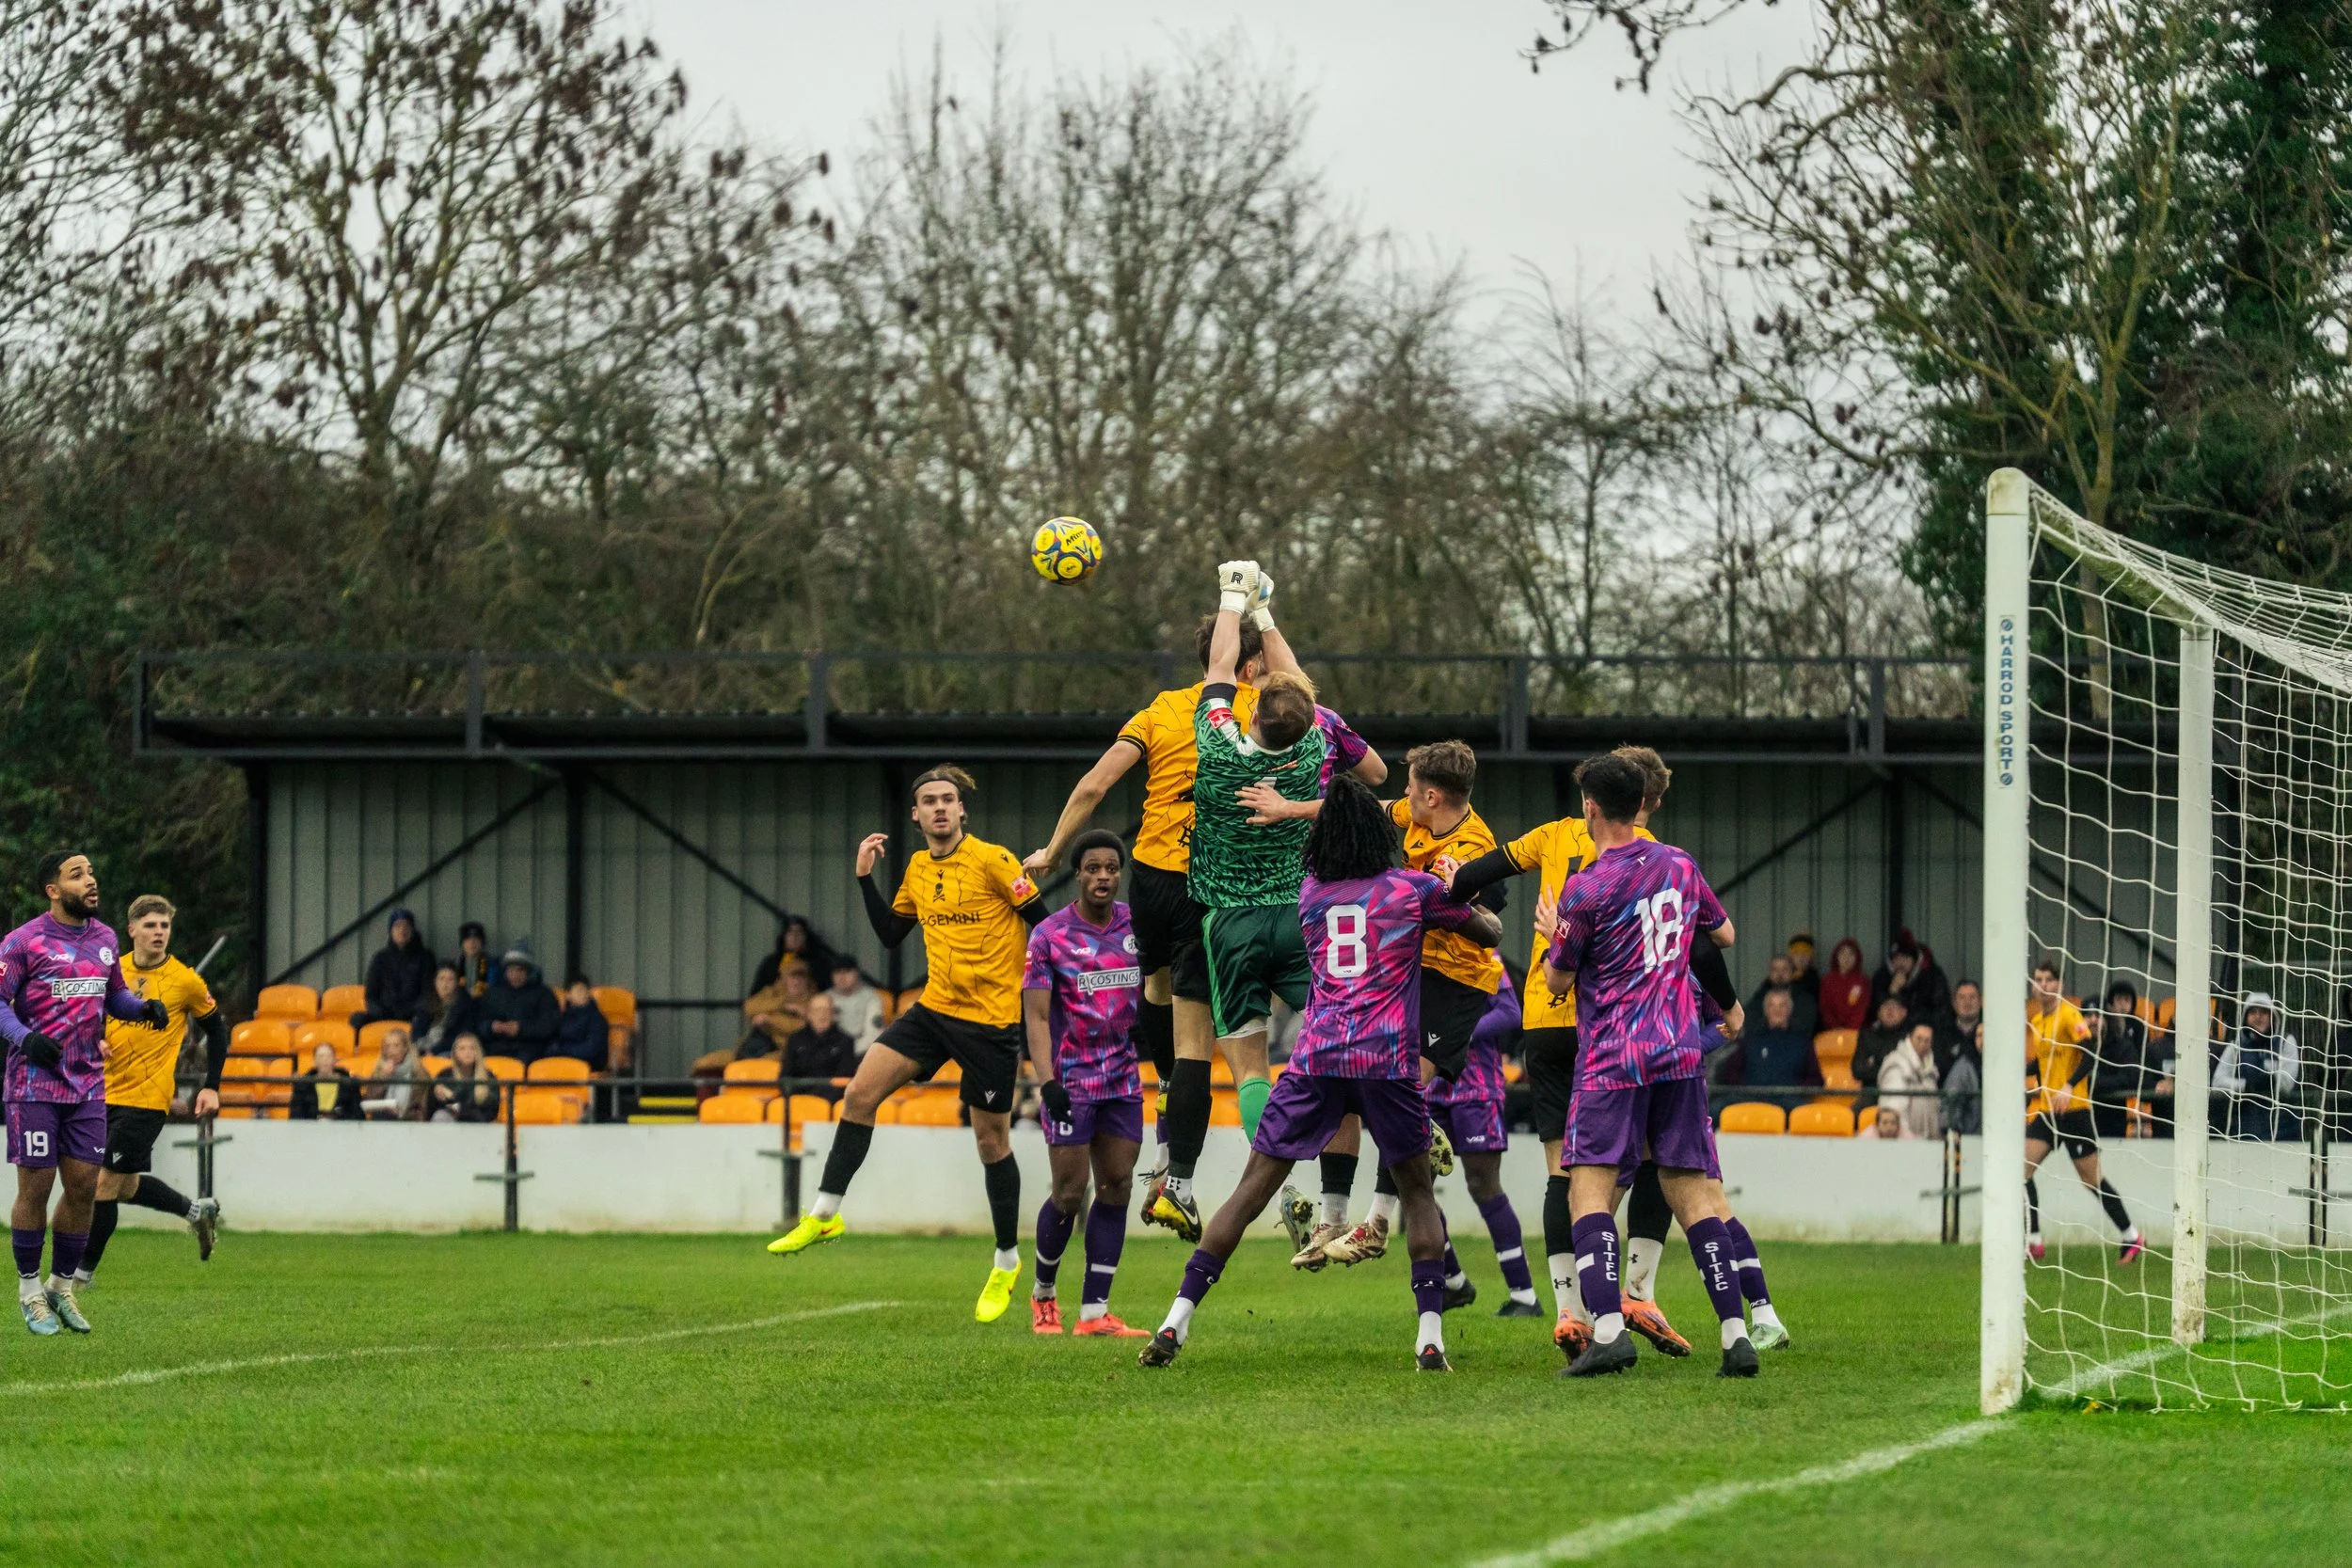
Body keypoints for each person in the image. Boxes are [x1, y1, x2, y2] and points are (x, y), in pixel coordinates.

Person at [1136, 775, 1502, 1371]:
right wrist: (1455, 888)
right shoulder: (1411, 889)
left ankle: (1176, 1320)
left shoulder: (1311, 895)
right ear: (1379, 834)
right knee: (1416, 1190)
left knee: (1251, 1190)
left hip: (1318, 1056)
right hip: (1385, 1061)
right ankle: (1429, 1338)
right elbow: (1487, 934)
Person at [1440, 743, 1700, 1360]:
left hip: (1544, 1022)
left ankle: (1568, 1308)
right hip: (1612, 1027)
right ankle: (1636, 1286)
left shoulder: (1553, 835)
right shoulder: (1654, 857)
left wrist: (1454, 879)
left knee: (1566, 1169)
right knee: (1646, 1156)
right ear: (1642, 804)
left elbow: (1490, 866)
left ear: (1591, 804)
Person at [1143, 561, 1376, 1244]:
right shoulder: (1313, 750)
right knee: (1343, 1042)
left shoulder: (1215, 748)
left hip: (1232, 924)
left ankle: (1287, 1186)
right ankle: (1409, 1124)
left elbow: (1219, 662)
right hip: (1299, 917)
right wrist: (1266, 614)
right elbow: (1295, 684)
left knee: (1248, 1065)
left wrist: (1230, 595)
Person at [767, 766, 1048, 1326]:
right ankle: (825, 1213)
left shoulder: (996, 861)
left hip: (990, 1024)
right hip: (933, 1010)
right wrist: (864, 877)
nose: (940, 808)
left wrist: (1040, 1004)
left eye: (948, 799)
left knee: (991, 1142)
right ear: (915, 816)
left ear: (962, 811)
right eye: (929, 802)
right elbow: (893, 933)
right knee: (859, 1095)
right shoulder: (918, 868)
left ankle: (1006, 1261)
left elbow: (1042, 926)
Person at [1022, 614, 1274, 1225]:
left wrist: (1053, 852)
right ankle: (1180, 1172)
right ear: (1250, 663)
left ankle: (1165, 1114)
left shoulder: (1162, 709)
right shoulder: (1266, 707)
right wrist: (1258, 614)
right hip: (1208, 884)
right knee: (1204, 1042)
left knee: (1156, 990)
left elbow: (1093, 785)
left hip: (1150, 879)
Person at [1540, 755, 1764, 1380]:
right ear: (1641, 800)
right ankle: (1735, 1333)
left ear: (1589, 808)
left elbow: (1557, 980)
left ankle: (1608, 1329)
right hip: (1679, 1051)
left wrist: (1558, 929)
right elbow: (1722, 936)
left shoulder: (1586, 884)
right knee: (1694, 1194)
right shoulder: (1680, 864)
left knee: (1588, 1186)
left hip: (1614, 1056)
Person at [1244, 738, 1498, 1268]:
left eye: (1409, 788)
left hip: (1455, 981)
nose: (1400, 797)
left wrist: (1456, 892)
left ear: (1432, 795)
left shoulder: (1473, 846)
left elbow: (1486, 912)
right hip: (1410, 969)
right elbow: (1363, 809)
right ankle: (1334, 1220)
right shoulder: (1419, 812)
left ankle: (1377, 1224)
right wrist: (1291, 808)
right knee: (1348, 1089)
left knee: (1400, 1096)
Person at [0, 852, 172, 1334]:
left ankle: (61, 1288)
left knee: (83, 1190)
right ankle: (29, 1292)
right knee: (35, 1188)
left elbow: (112, 995)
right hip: (33, 1087)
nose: (91, 880)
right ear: (53, 890)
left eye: (92, 871)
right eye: (77, 875)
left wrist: (142, 1009)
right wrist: (25, 1038)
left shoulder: (104, 938)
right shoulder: (23, 942)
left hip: (88, 1085)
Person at [1021, 830, 1151, 1338]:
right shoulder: (1049, 935)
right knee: (1070, 1191)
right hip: (1071, 1079)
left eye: (1111, 869)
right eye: (1093, 869)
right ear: (1078, 874)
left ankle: (1095, 1313)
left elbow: (1158, 994)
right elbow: (1034, 1016)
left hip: (1122, 1077)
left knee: (1117, 1184)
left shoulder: (1136, 927)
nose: (1103, 877)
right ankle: (1044, 1296)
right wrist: (1045, 1081)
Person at [81, 894, 229, 1290]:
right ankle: (196, 1210)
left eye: (164, 925)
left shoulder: (185, 980)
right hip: (101, 1092)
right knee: (125, 1186)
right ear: (131, 931)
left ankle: (77, 1279)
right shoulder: (111, 970)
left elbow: (218, 1029)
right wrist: (94, 1037)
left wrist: (211, 1087)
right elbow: (85, 1015)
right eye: (150, 925)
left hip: (146, 1099)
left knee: (103, 1186)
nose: (159, 932)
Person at [1422, 968, 1543, 1316]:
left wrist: (1459, 1033)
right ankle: (1455, 1282)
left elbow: (1509, 1012)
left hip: (1476, 1088)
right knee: (1416, 1185)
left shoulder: (1482, 955)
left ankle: (1524, 1296)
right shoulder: (1427, 951)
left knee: (1483, 1184)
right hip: (1433, 1087)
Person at [2025, 954, 2143, 1264]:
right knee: (2019, 1172)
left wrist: (2067, 1085)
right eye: (2039, 979)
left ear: (2060, 985)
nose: (2044, 985)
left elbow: (2090, 1051)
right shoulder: (2038, 1021)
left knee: (2091, 1181)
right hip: (2049, 1112)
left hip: (2075, 1111)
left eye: (2050, 979)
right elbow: (2042, 1061)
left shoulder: (2069, 1015)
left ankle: (2132, 1235)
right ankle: (2034, 1240)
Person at [2216, 990, 2299, 1142]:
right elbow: (2217, 1083)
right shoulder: (2236, 1047)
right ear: (2246, 1018)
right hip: (2244, 1130)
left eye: (2263, 1012)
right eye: (2253, 1012)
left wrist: (2270, 1081)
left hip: (2283, 1130)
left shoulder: (2286, 1041)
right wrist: (2245, 1086)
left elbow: (2287, 1082)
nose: (2258, 1017)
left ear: (2272, 1016)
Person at [1715, 987, 1820, 1089]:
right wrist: (1747, 1087)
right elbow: (1730, 1072)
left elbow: (1816, 1080)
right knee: (1716, 1106)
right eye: (1772, 1006)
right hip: (1751, 1099)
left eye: (1782, 1005)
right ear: (1765, 1010)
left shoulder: (1802, 1042)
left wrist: (1794, 1089)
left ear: (1790, 1010)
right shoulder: (1751, 1039)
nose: (1777, 1010)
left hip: (1789, 1100)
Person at [2089, 978, 2153, 1139]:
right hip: (2111, 1075)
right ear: (2111, 1002)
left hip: (2132, 1073)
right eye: (2118, 999)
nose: (2122, 1005)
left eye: (2127, 1000)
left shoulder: (2138, 1025)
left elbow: (2144, 1054)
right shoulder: (2105, 1025)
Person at [353, 908, 437, 1031]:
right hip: (384, 1014)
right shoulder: (380, 958)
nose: (402, 930)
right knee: (356, 1019)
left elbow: (428, 994)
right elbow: (370, 995)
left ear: (412, 930)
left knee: (426, 1019)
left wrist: (411, 1011)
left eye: (407, 926)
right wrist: (380, 1012)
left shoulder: (426, 958)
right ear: (390, 930)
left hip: (412, 1014)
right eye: (397, 926)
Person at [480, 945, 559, 1065]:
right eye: (511, 970)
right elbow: (478, 1022)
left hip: (530, 1049)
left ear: (528, 971)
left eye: (520, 970)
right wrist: (491, 1027)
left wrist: (521, 1029)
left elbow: (549, 1026)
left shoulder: (544, 994)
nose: (515, 975)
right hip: (496, 1048)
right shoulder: (493, 993)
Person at [782, 993, 859, 1099]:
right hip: (799, 1100)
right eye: (817, 1010)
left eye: (826, 1011)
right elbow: (786, 1077)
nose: (822, 1015)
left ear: (832, 1015)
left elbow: (844, 1080)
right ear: (809, 1014)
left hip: (831, 1101)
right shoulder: (795, 1040)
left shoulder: (846, 1041)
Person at [1879, 1019, 1943, 1139]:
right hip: (1904, 1144)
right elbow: (1895, 1110)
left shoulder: (1931, 1071)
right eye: (1919, 1039)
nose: (1923, 1044)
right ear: (1910, 1038)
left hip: (1927, 1142)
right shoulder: (1897, 1067)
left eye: (1927, 1040)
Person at [1871, 928, 1949, 1022]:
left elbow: (1940, 1011)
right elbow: (1874, 1011)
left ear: (1914, 960)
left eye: (1905, 958)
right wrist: (1891, 992)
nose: (1900, 962)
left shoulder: (1932, 976)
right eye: (1896, 958)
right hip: (1890, 1033)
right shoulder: (1882, 977)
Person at [1851, 994, 1914, 1109]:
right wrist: (1890, 1066)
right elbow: (1858, 1070)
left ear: (1904, 1013)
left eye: (1894, 1007)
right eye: (1885, 1006)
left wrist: (1875, 1062)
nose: (1889, 1010)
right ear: (1878, 1012)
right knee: (1853, 1113)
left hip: (1901, 1091)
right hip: (1872, 1092)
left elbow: (1910, 1070)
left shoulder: (1910, 1038)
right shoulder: (1867, 1035)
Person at [413, 961, 484, 1058]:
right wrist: (421, 1050)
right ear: (435, 982)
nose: (445, 984)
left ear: (457, 983)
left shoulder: (467, 1005)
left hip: (449, 1051)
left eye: (450, 980)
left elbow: (463, 1036)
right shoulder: (425, 1002)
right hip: (423, 1049)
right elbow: (416, 1033)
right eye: (441, 979)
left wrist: (434, 1051)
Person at [431, 1034, 502, 1123]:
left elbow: (491, 1113)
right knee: (440, 1116)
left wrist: (452, 1097)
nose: (467, 1052)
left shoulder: (489, 1078)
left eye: (472, 1048)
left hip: (480, 1124)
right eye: (462, 1049)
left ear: (478, 1052)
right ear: (455, 1053)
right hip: (451, 1123)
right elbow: (435, 1107)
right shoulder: (445, 1075)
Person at [360, 1027, 428, 1121]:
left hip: (410, 1123)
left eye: (396, 1046)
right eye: (387, 1046)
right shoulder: (379, 1073)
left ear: (405, 1048)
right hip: (383, 1121)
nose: (391, 1050)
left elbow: (423, 1108)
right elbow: (370, 1101)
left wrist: (402, 1115)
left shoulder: (419, 1074)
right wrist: (384, 1078)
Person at [827, 958, 888, 1056]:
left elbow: (874, 1035)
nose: (842, 977)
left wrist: (846, 1051)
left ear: (857, 973)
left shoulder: (871, 997)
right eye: (837, 972)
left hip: (861, 1053)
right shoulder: (825, 998)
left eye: (847, 972)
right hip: (830, 1054)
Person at [1748, 954, 1818, 1038]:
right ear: (1769, 973)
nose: (1780, 974)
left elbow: (1806, 1024)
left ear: (1792, 972)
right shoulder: (1760, 997)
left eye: (1785, 969)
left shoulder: (1804, 998)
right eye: (1775, 970)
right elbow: (1749, 1021)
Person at [290, 1043, 362, 1121]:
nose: (325, 1059)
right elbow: (296, 1115)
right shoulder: (302, 1085)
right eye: (321, 1056)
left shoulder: (349, 1084)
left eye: (329, 1056)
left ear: (334, 1060)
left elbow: (357, 1114)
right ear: (315, 1061)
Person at [551, 975, 610, 1071]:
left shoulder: (597, 1019)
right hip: (561, 1064)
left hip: (587, 1066)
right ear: (568, 995)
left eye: (586, 990)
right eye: (579, 991)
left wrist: (561, 1050)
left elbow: (591, 1049)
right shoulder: (561, 1018)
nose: (584, 994)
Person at [1818, 937, 1872, 1033]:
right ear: (1836, 956)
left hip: (1856, 1032)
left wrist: (1849, 1029)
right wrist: (1835, 1027)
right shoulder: (1827, 980)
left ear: (1857, 958)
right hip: (1832, 1032)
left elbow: (1861, 1009)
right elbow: (1825, 1007)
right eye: (1842, 953)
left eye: (1851, 954)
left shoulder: (1863, 981)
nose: (1846, 958)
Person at [1936, 980, 1985, 1077]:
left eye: (1972, 997)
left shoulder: (1988, 1033)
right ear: (1954, 1004)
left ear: (1980, 1002)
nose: (1967, 1002)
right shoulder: (1942, 1034)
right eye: (1962, 997)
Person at [454, 921, 492, 997]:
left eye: (476, 940)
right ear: (462, 944)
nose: (472, 943)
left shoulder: (492, 964)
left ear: (482, 943)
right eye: (468, 940)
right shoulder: (455, 964)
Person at [1785, 932, 1820, 1009]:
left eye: (1805, 953)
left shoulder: (1815, 981)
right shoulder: (1780, 977)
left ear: (1811, 958)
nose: (1801, 958)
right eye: (1796, 953)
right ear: (1791, 957)